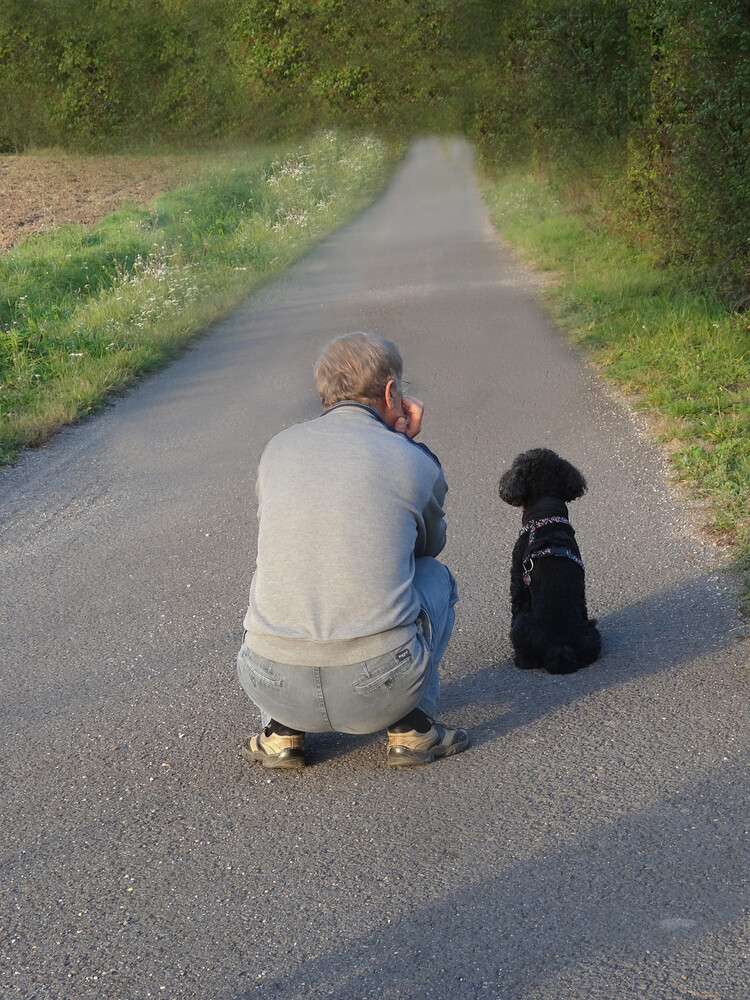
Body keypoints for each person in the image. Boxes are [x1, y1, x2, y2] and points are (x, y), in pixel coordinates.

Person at [236, 331, 468, 769]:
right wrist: (407, 445)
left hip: (269, 681)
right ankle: (412, 730)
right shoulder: (411, 459)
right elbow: (429, 545)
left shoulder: (277, 448)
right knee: (435, 576)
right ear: (390, 391)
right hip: (380, 684)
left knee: (286, 564)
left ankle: (280, 734)